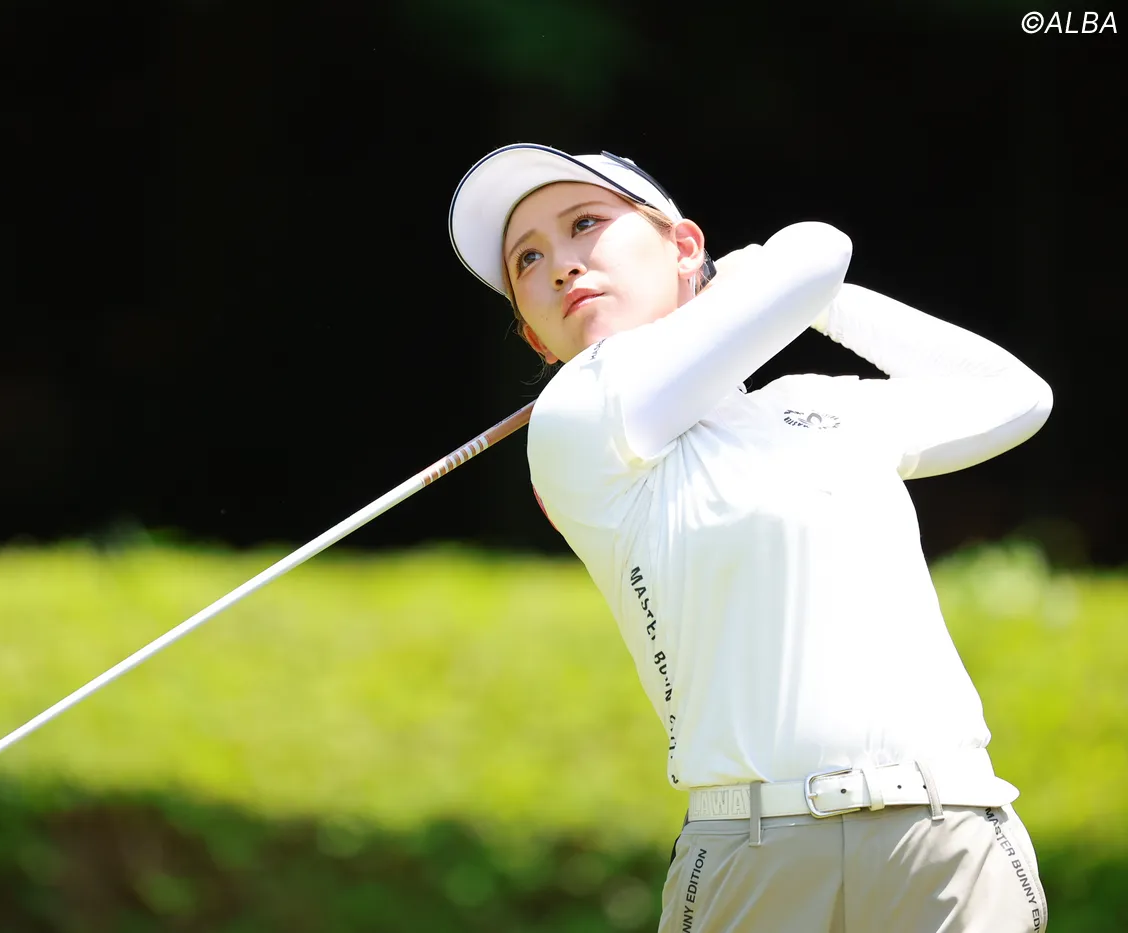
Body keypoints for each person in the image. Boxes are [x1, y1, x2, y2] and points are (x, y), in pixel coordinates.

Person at [448, 143, 1054, 933]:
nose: (561, 265)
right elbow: (817, 248)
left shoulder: (815, 404)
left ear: (684, 246)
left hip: (950, 834)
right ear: (535, 337)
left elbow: (1016, 396)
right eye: (528, 259)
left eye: (585, 223)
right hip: (757, 850)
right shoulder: (576, 417)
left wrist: (822, 304)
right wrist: (771, 283)